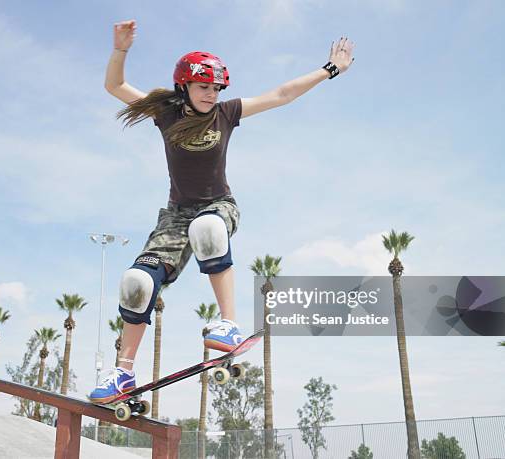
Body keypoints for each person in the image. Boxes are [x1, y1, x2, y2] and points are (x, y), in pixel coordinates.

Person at [89, 19, 355, 404]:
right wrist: (121, 49)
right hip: (175, 216)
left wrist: (330, 69)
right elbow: (114, 86)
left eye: (216, 88)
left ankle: (229, 324)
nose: (211, 95)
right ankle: (123, 374)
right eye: (203, 87)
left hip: (217, 206)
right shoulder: (166, 113)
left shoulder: (226, 113)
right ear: (185, 86)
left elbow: (281, 94)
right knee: (136, 284)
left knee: (208, 229)